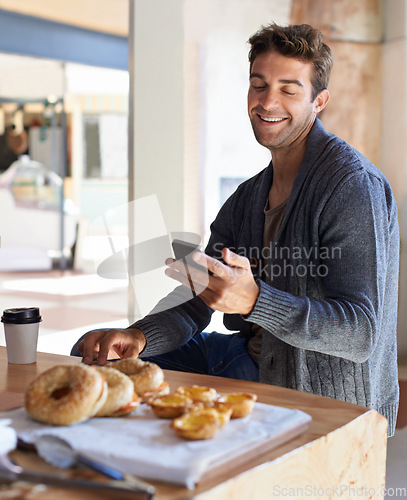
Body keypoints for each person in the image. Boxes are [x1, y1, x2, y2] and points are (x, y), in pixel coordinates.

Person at [72, 23, 400, 436]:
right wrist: (138, 338)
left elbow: (360, 333)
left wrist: (255, 300)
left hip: (318, 391)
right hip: (247, 358)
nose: (267, 101)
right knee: (101, 359)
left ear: (319, 101)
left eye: (288, 89)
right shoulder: (247, 198)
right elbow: (199, 300)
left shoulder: (350, 187)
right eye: (258, 85)